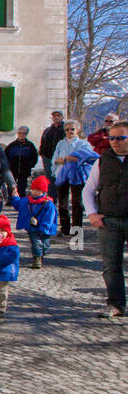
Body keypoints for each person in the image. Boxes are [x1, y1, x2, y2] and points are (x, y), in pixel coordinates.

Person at [82, 120, 128, 317]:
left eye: (121, 138)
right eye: (112, 138)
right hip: (108, 220)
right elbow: (88, 190)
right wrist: (92, 213)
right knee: (111, 266)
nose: (115, 142)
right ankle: (116, 304)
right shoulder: (102, 160)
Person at [52, 121, 97, 236]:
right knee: (62, 203)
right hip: (62, 173)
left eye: (72, 129)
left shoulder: (83, 144)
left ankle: (77, 230)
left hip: (77, 175)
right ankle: (64, 228)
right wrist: (63, 160)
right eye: (67, 129)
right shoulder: (60, 144)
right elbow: (55, 159)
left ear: (77, 130)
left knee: (77, 203)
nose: (69, 132)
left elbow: (89, 158)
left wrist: (72, 159)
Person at [11, 175, 58, 269]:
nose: (35, 192)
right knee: (36, 243)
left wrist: (44, 227)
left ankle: (41, 254)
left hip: (45, 228)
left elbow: (49, 217)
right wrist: (15, 197)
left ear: (43, 191)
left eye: (38, 190)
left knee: (45, 245)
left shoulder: (48, 204)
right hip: (32, 227)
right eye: (33, 190)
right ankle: (37, 258)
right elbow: (18, 205)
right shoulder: (27, 201)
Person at [6, 126, 40, 196]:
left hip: (24, 170)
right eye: (20, 133)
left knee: (22, 186)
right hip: (13, 169)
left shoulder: (30, 146)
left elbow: (34, 157)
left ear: (26, 134)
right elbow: (5, 156)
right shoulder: (12, 145)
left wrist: (30, 165)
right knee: (11, 185)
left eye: (23, 133)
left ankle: (21, 200)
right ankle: (11, 199)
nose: (21, 135)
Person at [39, 111, 65, 180]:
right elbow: (42, 143)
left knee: (60, 178)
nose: (56, 117)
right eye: (54, 116)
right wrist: (42, 154)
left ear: (62, 117)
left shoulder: (66, 130)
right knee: (49, 179)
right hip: (48, 158)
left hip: (61, 158)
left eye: (58, 115)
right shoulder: (47, 131)